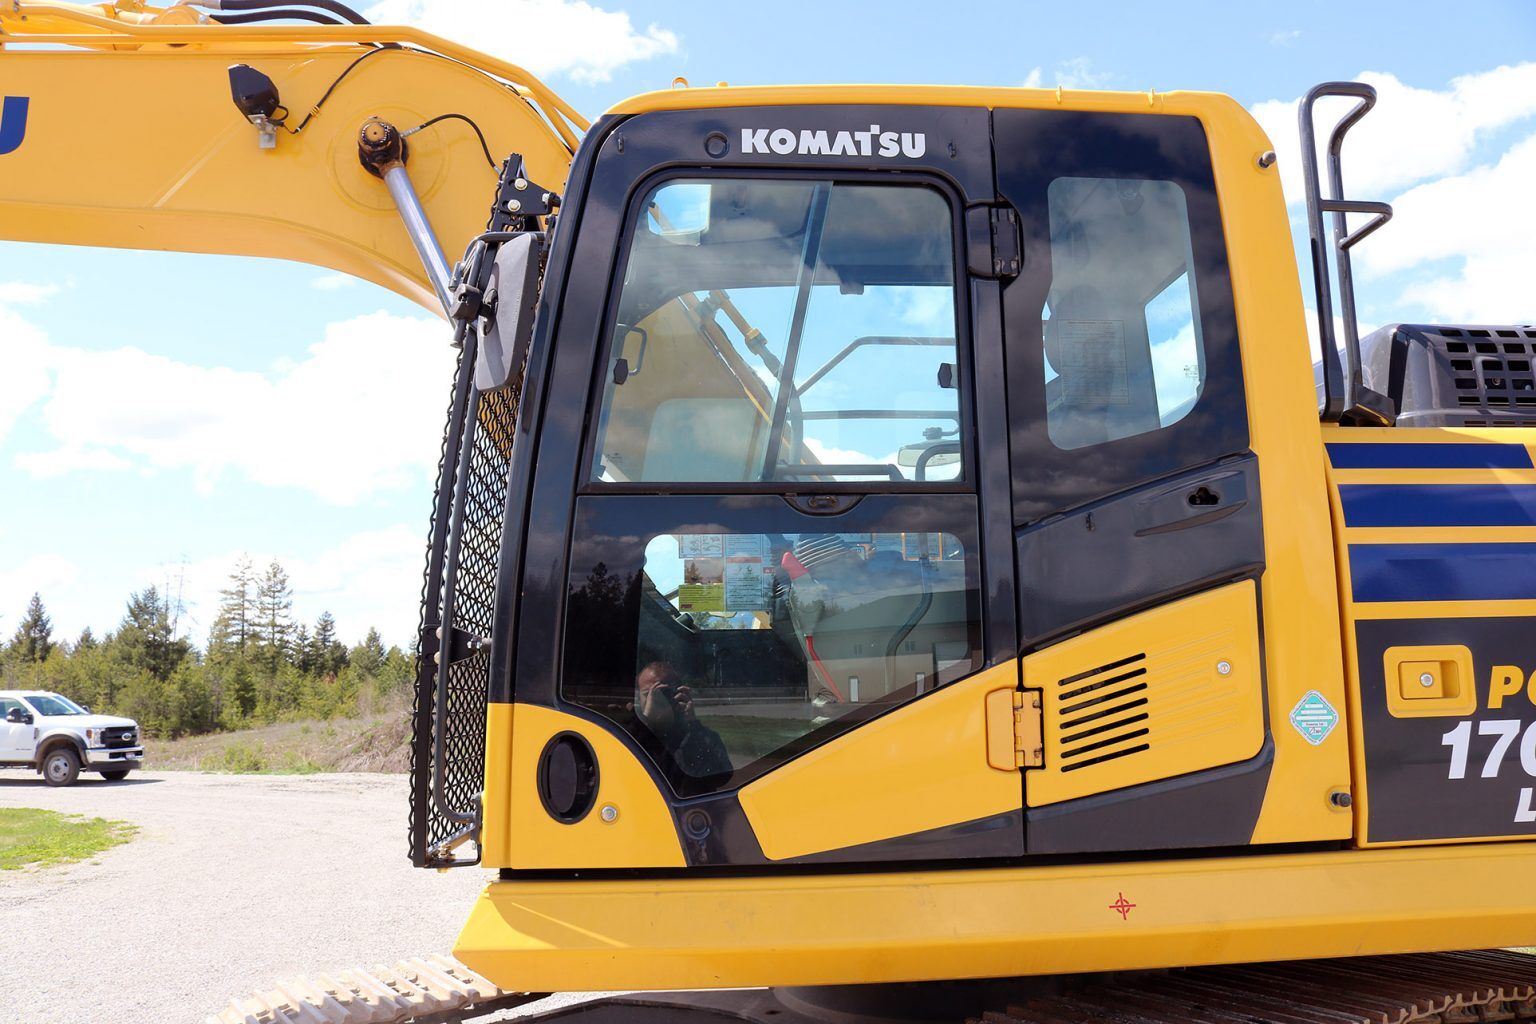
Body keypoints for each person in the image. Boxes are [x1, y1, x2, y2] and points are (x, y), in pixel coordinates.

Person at [634, 660, 733, 779]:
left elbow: (722, 778)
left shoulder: (700, 736)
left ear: (680, 693)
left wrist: (693, 725)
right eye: (648, 694)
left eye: (665, 692)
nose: (657, 698)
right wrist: (646, 722)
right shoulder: (627, 736)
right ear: (638, 699)